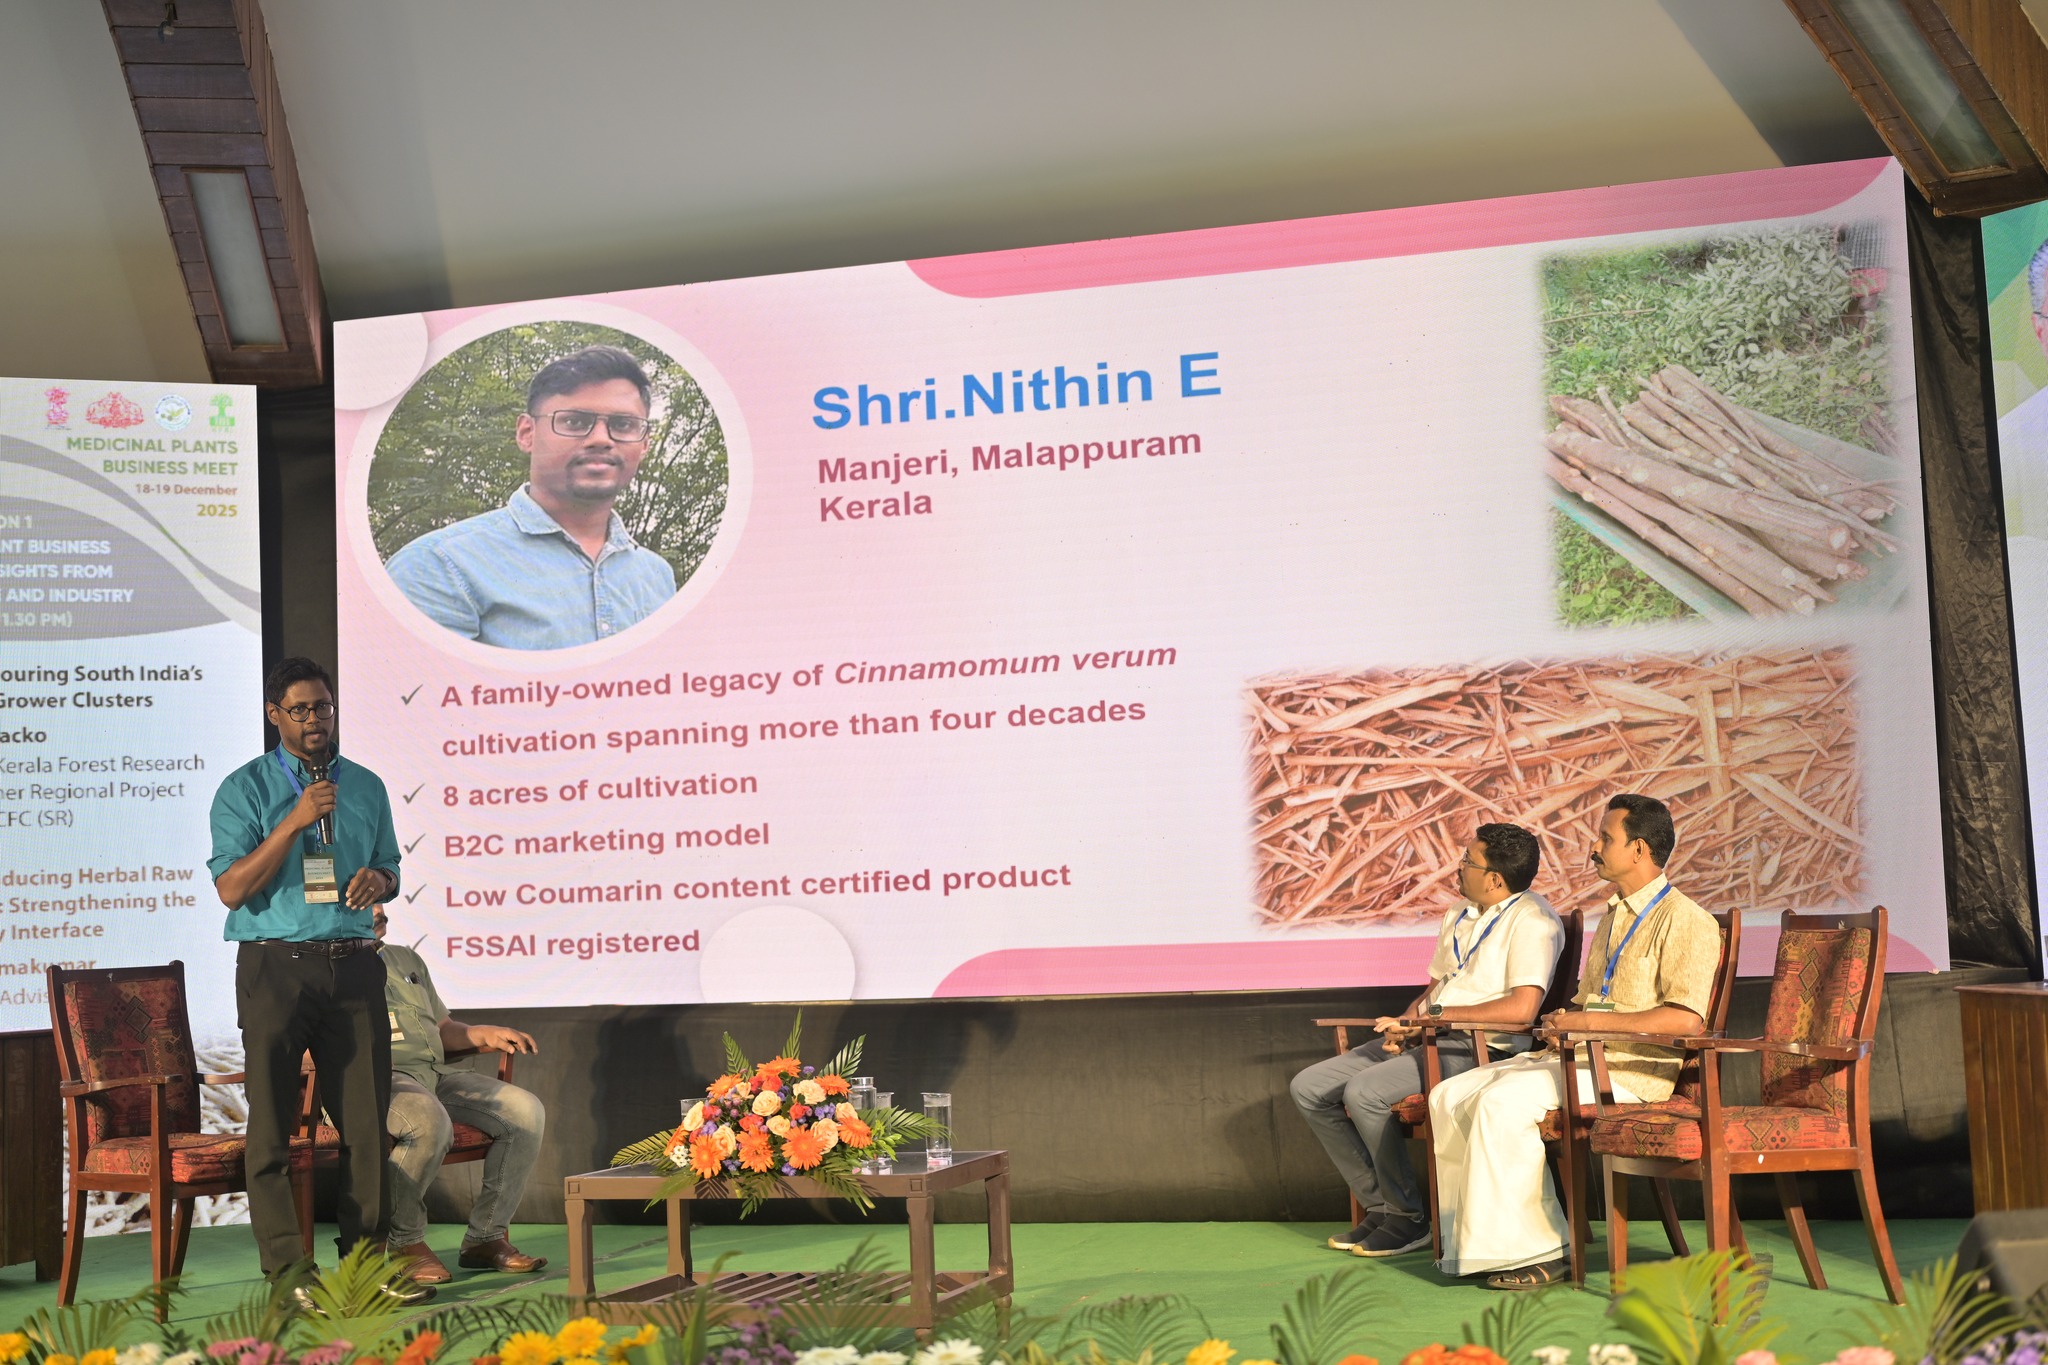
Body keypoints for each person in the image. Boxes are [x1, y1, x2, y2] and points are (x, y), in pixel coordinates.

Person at [1426, 793, 1720, 1290]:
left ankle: (1543, 1250)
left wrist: (1589, 1025)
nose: (1594, 847)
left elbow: (1687, 1020)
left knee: (1500, 1103)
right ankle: (1474, 1247)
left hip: (1629, 1074)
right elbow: (1593, 1001)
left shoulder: (1685, 919)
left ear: (1639, 849)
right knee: (1449, 1095)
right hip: (1580, 1058)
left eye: (1606, 837)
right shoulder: (1614, 916)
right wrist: (1568, 1019)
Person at [207, 658, 429, 1301]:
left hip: (354, 966)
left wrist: (379, 880)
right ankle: (289, 1275)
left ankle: (364, 1270)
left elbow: (390, 866)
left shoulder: (366, 785)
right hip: (276, 969)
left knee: (365, 1129)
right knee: (272, 1129)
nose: (315, 720)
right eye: (300, 709)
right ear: (274, 714)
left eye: (323, 707)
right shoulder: (243, 789)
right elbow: (231, 889)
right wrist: (295, 821)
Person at [1290, 822, 1564, 1258]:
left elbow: (1522, 1010)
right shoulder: (1459, 913)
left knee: (1365, 1092)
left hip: (1480, 1048)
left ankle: (1408, 1219)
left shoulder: (1533, 921)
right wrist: (1407, 1022)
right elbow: (1436, 989)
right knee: (1309, 1087)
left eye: (1468, 861)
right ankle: (1382, 1207)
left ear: (1495, 879)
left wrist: (1434, 1019)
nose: (1459, 867)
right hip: (1431, 1035)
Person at [387, 345, 678, 649]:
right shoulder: (438, 565)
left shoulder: (657, 576)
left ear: (644, 444)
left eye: (623, 425)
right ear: (527, 433)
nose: (601, 439)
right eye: (575, 422)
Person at [376, 908, 549, 1281]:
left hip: (433, 1075)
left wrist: (483, 1033)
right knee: (427, 1119)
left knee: (525, 1111)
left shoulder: (405, 959)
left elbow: (442, 1029)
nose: (378, 911)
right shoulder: (327, 965)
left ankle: (485, 1237)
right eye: (365, 901)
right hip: (377, 1081)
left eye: (381, 900)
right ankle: (405, 1243)